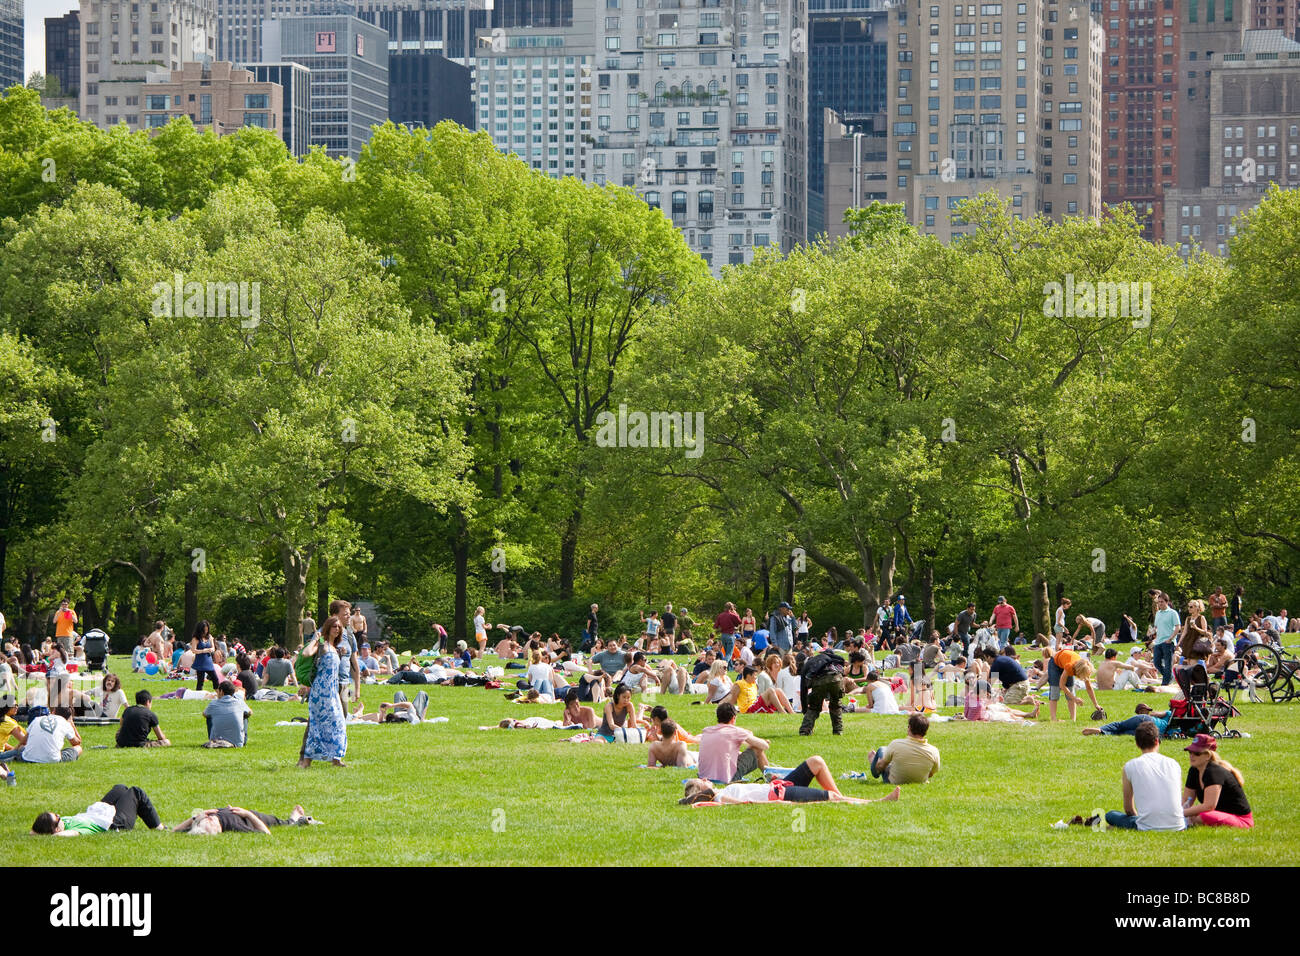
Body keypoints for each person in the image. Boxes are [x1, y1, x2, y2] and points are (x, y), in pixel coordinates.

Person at [681, 758, 903, 805]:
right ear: (701, 789)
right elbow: (743, 803)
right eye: (702, 782)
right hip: (779, 795)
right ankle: (877, 802)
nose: (706, 779)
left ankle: (842, 798)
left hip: (777, 786)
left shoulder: (722, 789)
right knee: (831, 798)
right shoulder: (719, 796)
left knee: (816, 762)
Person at [1103, 720, 1186, 831]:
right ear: (1157, 741)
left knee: (1111, 815)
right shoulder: (1173, 764)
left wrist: (1138, 818)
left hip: (1147, 826)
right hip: (1178, 824)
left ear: (1137, 744)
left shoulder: (1130, 766)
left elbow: (1128, 809)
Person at [298, 616, 348, 768]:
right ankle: (306, 761)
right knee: (317, 725)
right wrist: (315, 638)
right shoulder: (322, 645)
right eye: (334, 626)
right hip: (321, 692)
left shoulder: (335, 648)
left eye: (339, 627)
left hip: (332, 691)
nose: (337, 629)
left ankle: (336, 758)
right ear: (327, 628)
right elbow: (306, 653)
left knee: (338, 723)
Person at [32, 784, 167, 835]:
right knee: (136, 792)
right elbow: (60, 836)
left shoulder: (63, 823)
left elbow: (34, 831)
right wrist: (53, 835)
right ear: (56, 829)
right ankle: (159, 827)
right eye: (57, 817)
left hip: (98, 812)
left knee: (120, 788)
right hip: (115, 823)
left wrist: (39, 832)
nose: (59, 815)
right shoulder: (75, 831)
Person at [1181, 734, 1253, 828]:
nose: (1191, 756)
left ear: (1207, 756)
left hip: (1240, 819)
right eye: (1190, 752)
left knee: (1202, 817)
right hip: (1217, 813)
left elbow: (1209, 806)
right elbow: (1186, 800)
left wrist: (1180, 814)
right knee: (1195, 815)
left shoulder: (1214, 772)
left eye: (1197, 753)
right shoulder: (1194, 770)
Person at [698, 702, 769, 783]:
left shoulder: (707, 730)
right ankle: (771, 777)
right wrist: (763, 741)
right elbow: (764, 746)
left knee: (745, 751)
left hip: (703, 776)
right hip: (726, 778)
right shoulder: (735, 731)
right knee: (757, 748)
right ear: (733, 718)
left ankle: (770, 776)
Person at [869, 713, 941, 784]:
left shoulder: (895, 744)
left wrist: (873, 762)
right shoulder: (934, 751)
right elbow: (931, 774)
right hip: (920, 781)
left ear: (909, 727)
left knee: (882, 750)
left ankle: (874, 765)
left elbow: (881, 766)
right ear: (926, 731)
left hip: (893, 781)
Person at [0, 706, 82, 763]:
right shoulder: (65, 723)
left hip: (27, 757)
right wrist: (71, 723)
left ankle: (4, 757)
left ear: (53, 711)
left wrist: (14, 751)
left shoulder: (37, 719)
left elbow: (23, 742)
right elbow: (76, 743)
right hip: (52, 759)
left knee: (21, 748)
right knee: (78, 748)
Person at [173, 805, 321, 834]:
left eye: (207, 819)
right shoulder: (234, 825)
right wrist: (248, 815)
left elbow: (176, 830)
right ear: (217, 830)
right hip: (254, 817)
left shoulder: (202, 821)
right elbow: (265, 833)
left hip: (238, 810)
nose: (210, 819)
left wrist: (200, 815)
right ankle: (294, 820)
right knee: (279, 823)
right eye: (211, 823)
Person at [799, 645, 846, 735]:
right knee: (836, 705)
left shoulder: (808, 665)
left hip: (820, 680)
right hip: (836, 678)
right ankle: (838, 730)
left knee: (814, 706)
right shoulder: (833, 659)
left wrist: (805, 710)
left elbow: (803, 690)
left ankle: (805, 730)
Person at [1048, 645, 1100, 722]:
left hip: (1066, 661)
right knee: (1055, 691)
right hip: (1055, 663)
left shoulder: (1085, 667)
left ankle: (1073, 720)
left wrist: (1096, 704)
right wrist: (1074, 698)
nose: (1084, 678)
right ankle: (1053, 719)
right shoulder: (1070, 667)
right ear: (1078, 672)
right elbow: (1061, 685)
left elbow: (1089, 687)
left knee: (1071, 690)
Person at [1083, 701, 1173, 737]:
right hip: (1152, 733)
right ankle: (1101, 733)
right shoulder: (1176, 730)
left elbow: (1154, 713)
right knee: (1122, 733)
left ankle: (1100, 730)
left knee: (1120, 725)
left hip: (1146, 720)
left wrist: (1152, 712)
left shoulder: (1169, 713)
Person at [204, 681, 251, 748]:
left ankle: (213, 739)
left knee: (209, 717)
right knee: (245, 715)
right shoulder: (240, 702)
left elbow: (205, 714)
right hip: (237, 743)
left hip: (217, 740)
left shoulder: (213, 703)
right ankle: (242, 738)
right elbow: (250, 712)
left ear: (221, 692)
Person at [1151, 593, 1181, 686]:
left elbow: (1178, 627)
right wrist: (1152, 631)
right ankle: (1169, 676)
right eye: (1159, 602)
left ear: (1167, 602)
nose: (1160, 604)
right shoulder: (1158, 614)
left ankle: (1165, 683)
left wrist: (1171, 638)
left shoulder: (1173, 613)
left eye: (1162, 602)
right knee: (1156, 662)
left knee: (1168, 663)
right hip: (1158, 641)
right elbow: (1156, 627)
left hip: (1168, 641)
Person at [350, 690, 429, 723]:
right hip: (415, 713)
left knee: (399, 693)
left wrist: (382, 712)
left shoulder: (394, 718)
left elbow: (381, 721)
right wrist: (392, 705)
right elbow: (409, 705)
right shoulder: (412, 717)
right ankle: (422, 719)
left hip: (403, 711)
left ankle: (358, 714)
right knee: (422, 694)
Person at [190, 620, 220, 692]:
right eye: (204, 630)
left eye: (207, 629)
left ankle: (218, 693)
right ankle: (198, 695)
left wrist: (211, 650)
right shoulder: (196, 638)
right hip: (200, 662)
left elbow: (213, 648)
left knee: (215, 678)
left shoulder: (209, 637)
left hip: (208, 661)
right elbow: (193, 650)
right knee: (200, 681)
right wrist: (204, 650)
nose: (206, 631)